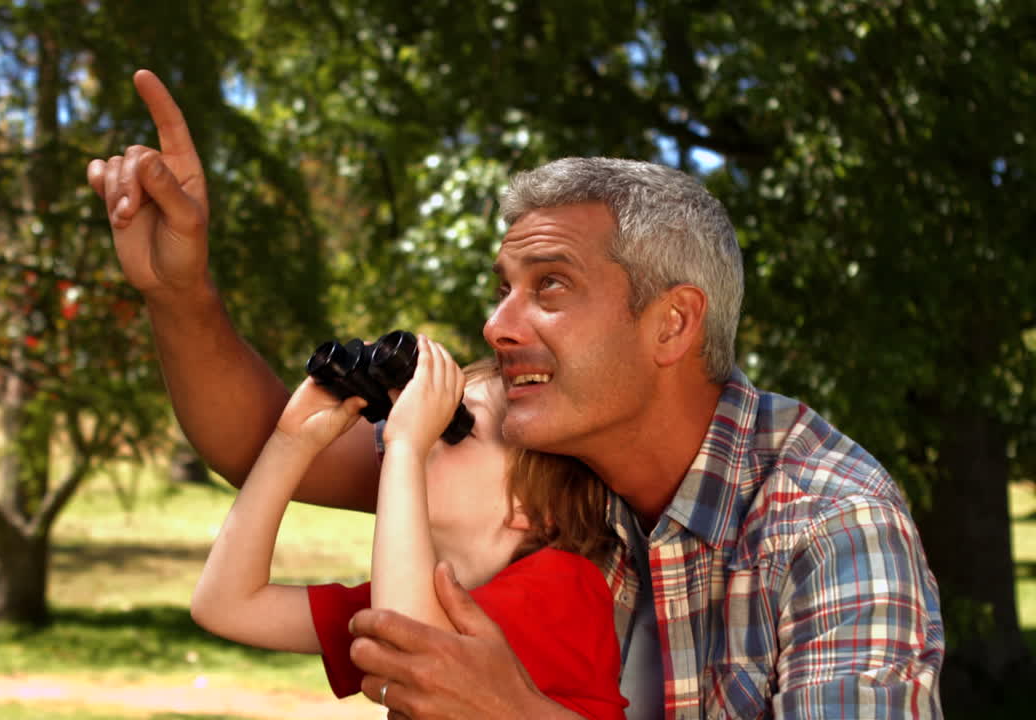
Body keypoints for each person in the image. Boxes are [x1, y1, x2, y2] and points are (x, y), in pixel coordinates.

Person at [87, 69, 945, 718]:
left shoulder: (831, 525)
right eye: (503, 286)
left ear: (673, 326)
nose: (496, 326)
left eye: (552, 286)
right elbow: (255, 444)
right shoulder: (556, 462)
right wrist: (180, 294)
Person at [191, 341, 629, 718]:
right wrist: (293, 443)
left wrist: (406, 446)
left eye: (456, 430)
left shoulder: (566, 586)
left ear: (532, 508)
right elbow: (226, 605)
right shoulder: (416, 598)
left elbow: (412, 644)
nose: (426, 436)